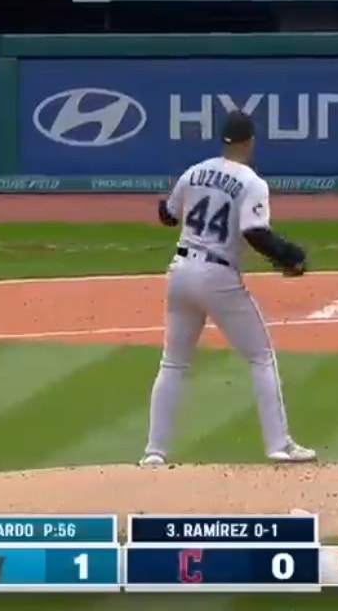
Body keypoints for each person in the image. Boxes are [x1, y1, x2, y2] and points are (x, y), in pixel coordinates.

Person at [141, 111, 316, 467]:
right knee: (261, 357)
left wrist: (166, 204)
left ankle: (154, 452)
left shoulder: (195, 171)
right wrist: (290, 256)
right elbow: (255, 232)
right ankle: (278, 445)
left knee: (173, 363)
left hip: (180, 272)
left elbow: (168, 215)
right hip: (217, 276)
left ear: (223, 140)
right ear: (249, 141)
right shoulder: (252, 182)